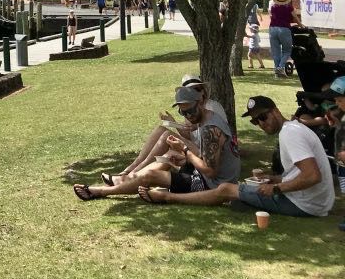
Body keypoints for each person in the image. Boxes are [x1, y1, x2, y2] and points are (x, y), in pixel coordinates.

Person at [138, 95, 335, 218]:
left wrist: (276, 187)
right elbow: (304, 173)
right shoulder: (292, 129)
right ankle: (126, 180)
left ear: (276, 111)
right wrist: (275, 179)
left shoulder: (290, 133)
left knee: (226, 190)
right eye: (255, 121)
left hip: (306, 205)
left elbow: (312, 176)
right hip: (315, 202)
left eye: (263, 116)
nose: (261, 123)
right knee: (242, 190)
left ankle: (167, 197)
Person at [75, 85, 240, 201]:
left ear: (201, 103)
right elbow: (206, 158)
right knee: (168, 157)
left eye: (190, 109)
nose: (187, 115)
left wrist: (184, 150)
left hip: (211, 185)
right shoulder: (208, 118)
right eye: (183, 111)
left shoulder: (211, 129)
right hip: (209, 176)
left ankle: (102, 192)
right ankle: (127, 179)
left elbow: (210, 171)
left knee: (150, 176)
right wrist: (185, 157)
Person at [99, 74, 228, 185]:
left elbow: (215, 142)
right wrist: (174, 123)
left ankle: (130, 177)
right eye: (187, 90)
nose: (191, 93)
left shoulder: (210, 109)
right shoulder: (191, 108)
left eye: (196, 89)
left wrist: (185, 149)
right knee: (162, 130)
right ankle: (131, 171)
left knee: (167, 136)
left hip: (206, 155)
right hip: (200, 152)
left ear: (203, 92)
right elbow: (191, 136)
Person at [268, 0, 298, 79]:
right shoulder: (289, 7)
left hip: (272, 28)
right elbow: (295, 17)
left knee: (276, 52)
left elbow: (272, 16)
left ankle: (277, 72)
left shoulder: (273, 7)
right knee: (287, 50)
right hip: (284, 29)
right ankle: (280, 67)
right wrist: (300, 25)